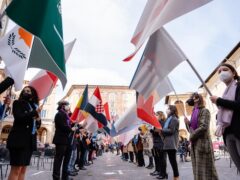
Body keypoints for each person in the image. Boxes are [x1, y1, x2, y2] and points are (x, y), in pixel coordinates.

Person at [7, 86, 42, 180]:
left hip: (29, 141)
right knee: (16, 169)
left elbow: (37, 125)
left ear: (33, 94)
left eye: (29, 91)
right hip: (18, 140)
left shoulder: (34, 106)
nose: (26, 92)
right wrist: (34, 113)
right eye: (25, 90)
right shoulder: (17, 103)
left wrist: (38, 119)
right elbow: (19, 117)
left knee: (23, 170)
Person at [210, 63, 240, 172]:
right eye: (219, 71)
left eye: (225, 69)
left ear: (233, 72)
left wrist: (219, 101)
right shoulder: (225, 93)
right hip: (228, 133)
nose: (222, 72)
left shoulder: (238, 86)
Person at [185, 92, 218, 180]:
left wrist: (191, 136)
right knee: (198, 171)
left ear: (197, 99)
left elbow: (203, 127)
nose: (191, 98)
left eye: (192, 97)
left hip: (203, 144)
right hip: (195, 145)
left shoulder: (204, 111)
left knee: (208, 171)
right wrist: (187, 124)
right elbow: (191, 130)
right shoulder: (194, 112)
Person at [52, 100, 75, 180]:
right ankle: (56, 177)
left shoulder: (66, 115)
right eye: (67, 105)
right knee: (58, 160)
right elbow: (63, 126)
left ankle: (65, 177)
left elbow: (68, 124)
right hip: (61, 140)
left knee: (66, 160)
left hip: (67, 141)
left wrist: (74, 125)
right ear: (63, 106)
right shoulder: (59, 114)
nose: (68, 107)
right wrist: (71, 129)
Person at [159, 105, 179, 180]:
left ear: (172, 110)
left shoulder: (174, 119)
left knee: (173, 161)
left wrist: (161, 130)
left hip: (172, 143)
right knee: (171, 161)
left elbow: (171, 131)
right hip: (168, 142)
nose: (166, 110)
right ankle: (175, 176)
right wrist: (161, 131)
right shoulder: (168, 119)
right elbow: (166, 130)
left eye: (168, 109)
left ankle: (176, 176)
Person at [150, 111, 167, 177]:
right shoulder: (156, 123)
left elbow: (161, 131)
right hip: (156, 143)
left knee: (162, 159)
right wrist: (152, 130)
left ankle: (163, 174)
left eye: (157, 115)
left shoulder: (162, 122)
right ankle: (159, 171)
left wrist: (154, 131)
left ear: (161, 115)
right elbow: (155, 132)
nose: (155, 116)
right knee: (158, 158)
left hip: (161, 143)